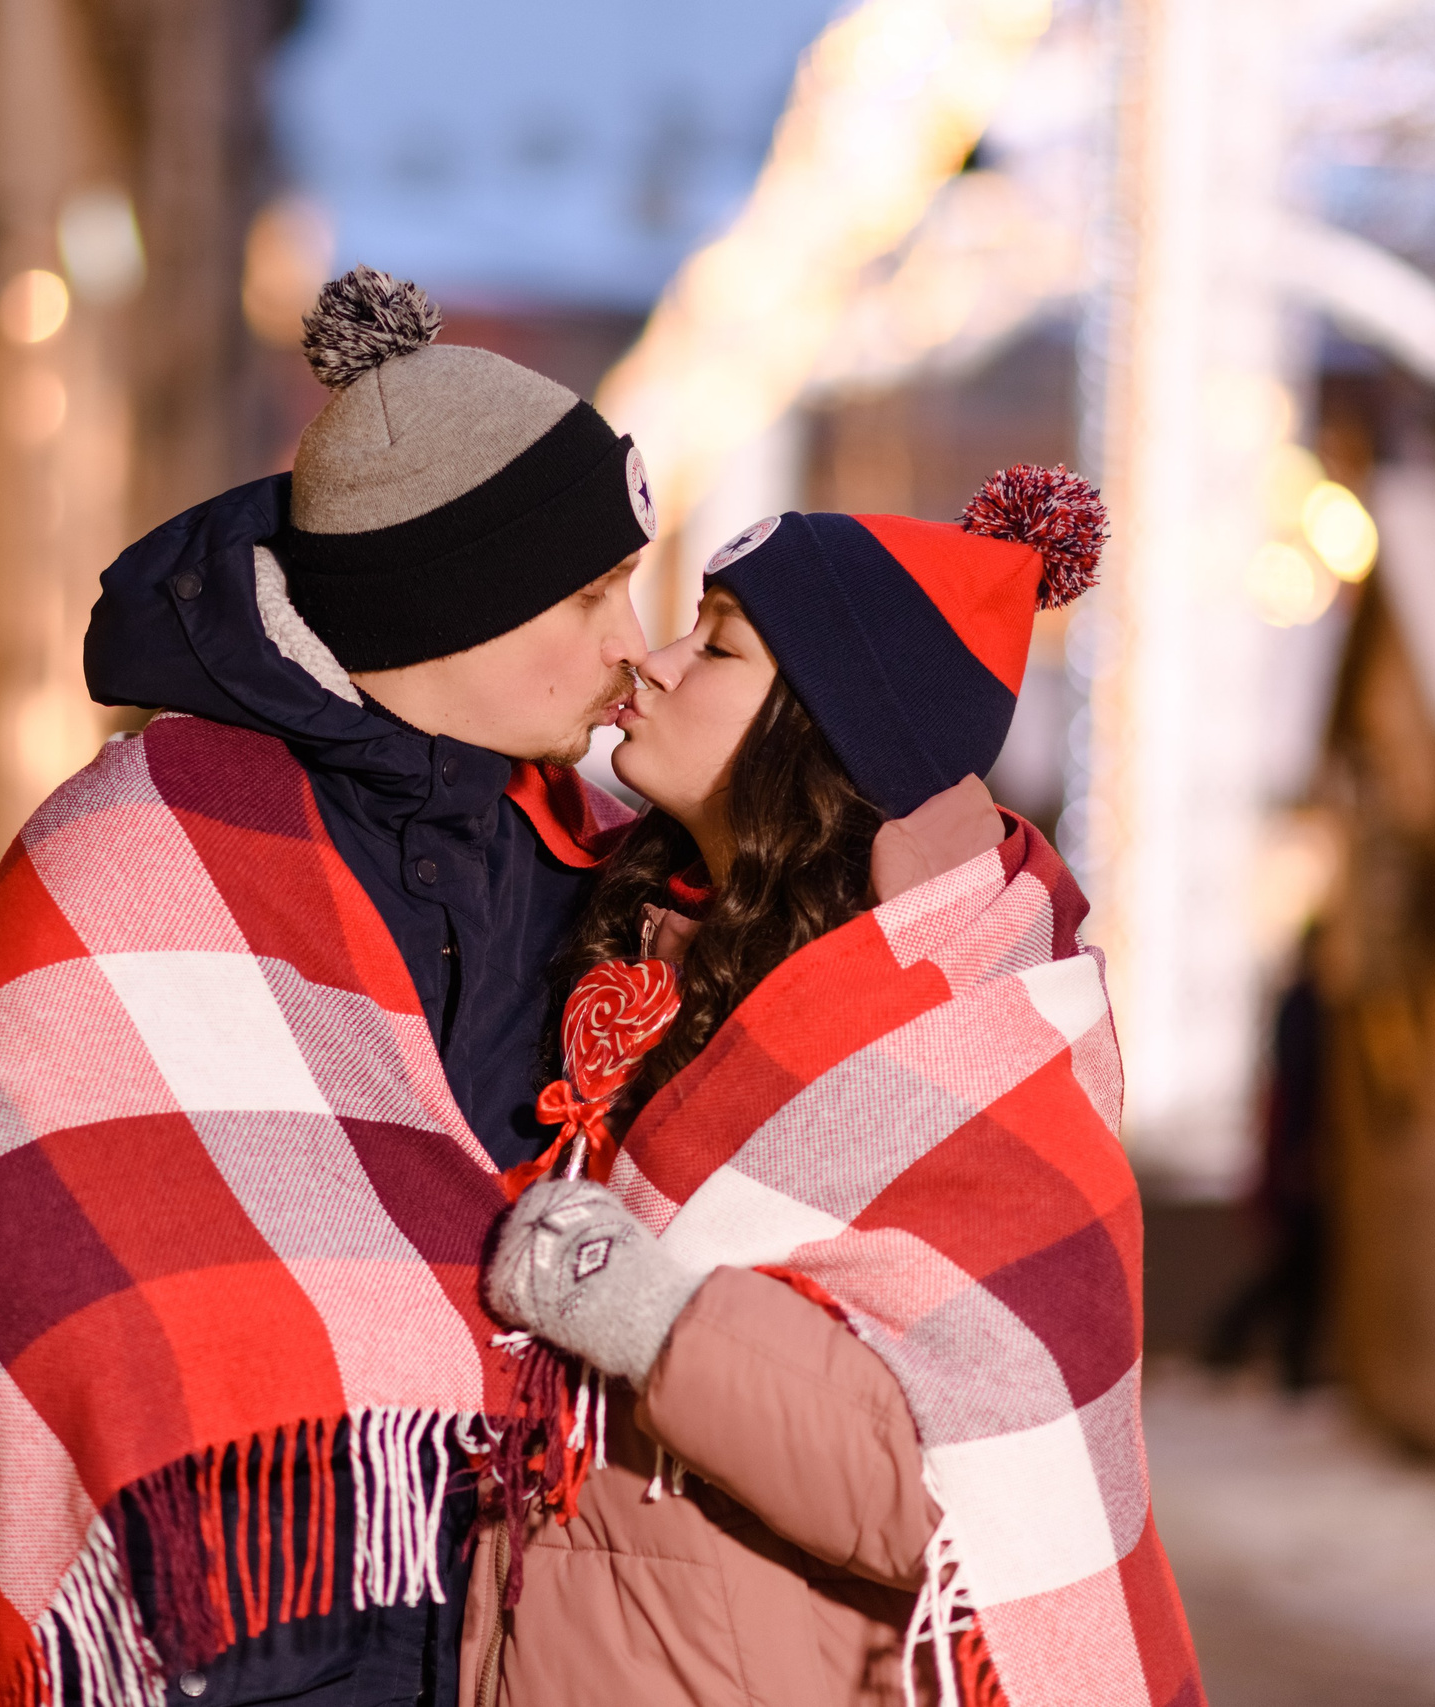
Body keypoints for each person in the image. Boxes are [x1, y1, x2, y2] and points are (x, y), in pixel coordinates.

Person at [0, 269, 661, 1707]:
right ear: (448, 604)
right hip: (215, 1631)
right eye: (590, 594)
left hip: (539, 1615)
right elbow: (8, 1240)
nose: (630, 643)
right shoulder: (146, 839)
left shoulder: (609, 869)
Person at [474, 482, 1205, 1707]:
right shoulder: (645, 937)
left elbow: (934, 1488)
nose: (649, 666)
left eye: (714, 646)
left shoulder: (949, 1051)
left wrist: (642, 1309)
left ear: (820, 728)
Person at [1205, 926, 1329, 1390]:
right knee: (1298, 1262)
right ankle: (1250, 1344)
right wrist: (1300, 1149)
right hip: (1298, 1151)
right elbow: (1299, 1086)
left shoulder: (1302, 1003)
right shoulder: (1304, 1005)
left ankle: (1268, 1352)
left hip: (1295, 1147)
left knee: (1298, 1264)